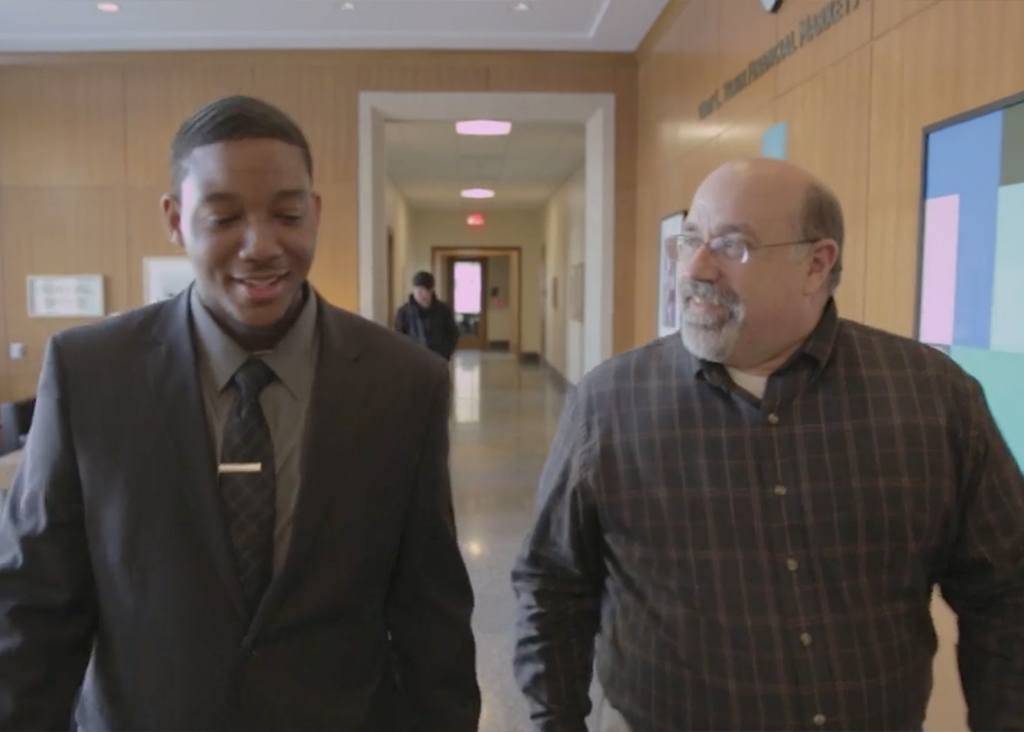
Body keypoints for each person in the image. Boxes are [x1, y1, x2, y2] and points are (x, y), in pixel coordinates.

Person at [0, 96, 479, 731]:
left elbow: (430, 615)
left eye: (287, 214)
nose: (260, 246)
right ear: (175, 219)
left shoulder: (404, 383)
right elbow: (36, 605)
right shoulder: (90, 374)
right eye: (223, 217)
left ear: (315, 212)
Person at [512, 158, 1024, 731]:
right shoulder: (609, 404)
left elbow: (1008, 593)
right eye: (690, 240)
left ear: (816, 263)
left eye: (732, 245)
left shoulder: (933, 398)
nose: (697, 268)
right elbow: (551, 587)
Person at [395, 271, 460, 360]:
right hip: (413, 359)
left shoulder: (443, 310)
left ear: (431, 290)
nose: (421, 294)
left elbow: (453, 334)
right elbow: (399, 337)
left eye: (425, 290)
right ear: (413, 290)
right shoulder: (404, 312)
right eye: (418, 290)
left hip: (438, 359)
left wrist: (445, 353)